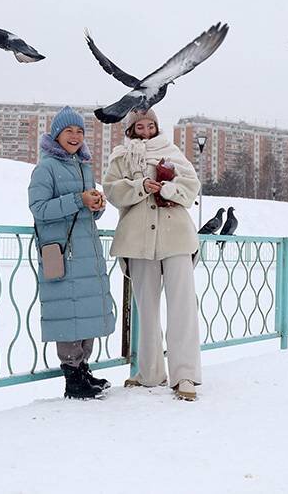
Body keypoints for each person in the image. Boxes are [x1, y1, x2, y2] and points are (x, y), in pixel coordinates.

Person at [102, 108, 203, 401]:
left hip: (176, 237)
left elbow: (191, 187)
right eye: (140, 127)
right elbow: (112, 191)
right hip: (138, 239)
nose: (145, 131)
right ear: (131, 129)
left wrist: (169, 189)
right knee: (145, 308)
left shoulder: (172, 152)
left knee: (182, 306)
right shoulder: (121, 157)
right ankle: (150, 372)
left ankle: (184, 374)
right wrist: (140, 186)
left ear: (157, 127)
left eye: (150, 126)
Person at [28, 106, 115, 400]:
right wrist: (79, 199)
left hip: (86, 252)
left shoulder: (84, 166)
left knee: (86, 312)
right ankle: (72, 376)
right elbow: (39, 209)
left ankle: (83, 370)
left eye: (80, 131)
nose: (75, 136)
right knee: (68, 314)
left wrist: (96, 206)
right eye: (69, 131)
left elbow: (86, 212)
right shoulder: (46, 168)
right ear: (57, 134)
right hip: (63, 253)